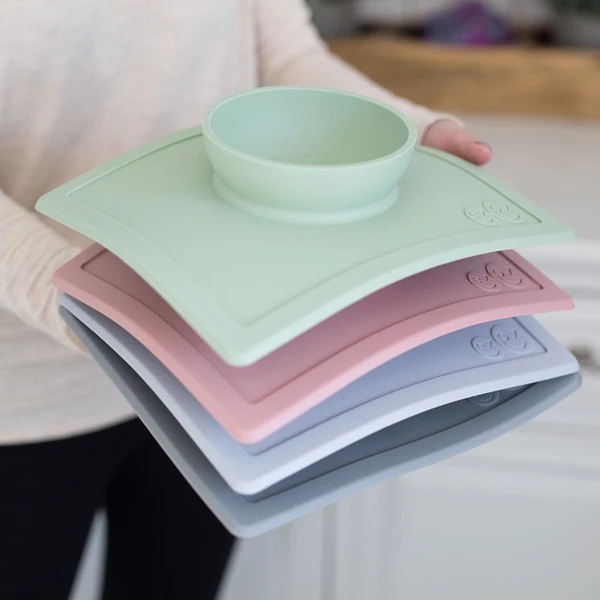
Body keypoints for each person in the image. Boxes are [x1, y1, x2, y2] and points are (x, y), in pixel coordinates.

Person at [0, 1, 492, 598]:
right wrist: (84, 305)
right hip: (26, 396)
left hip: (215, 370)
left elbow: (284, 57)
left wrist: (413, 133)